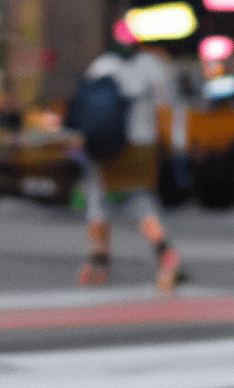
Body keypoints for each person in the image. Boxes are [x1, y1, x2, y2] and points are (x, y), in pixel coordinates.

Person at [76, 39, 188, 291]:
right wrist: (178, 146)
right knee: (139, 199)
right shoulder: (154, 66)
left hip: (106, 142)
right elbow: (171, 107)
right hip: (143, 145)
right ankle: (164, 251)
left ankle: (98, 259)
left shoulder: (101, 65)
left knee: (96, 195)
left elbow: (86, 106)